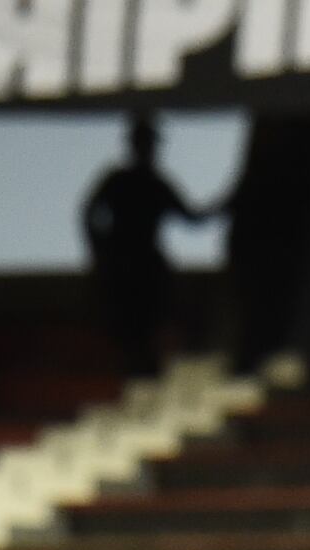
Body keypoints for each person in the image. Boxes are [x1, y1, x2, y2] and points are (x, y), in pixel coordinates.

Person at [82, 114, 207, 380]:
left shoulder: (155, 182)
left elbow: (192, 216)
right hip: (124, 267)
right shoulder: (119, 180)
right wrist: (99, 252)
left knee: (156, 324)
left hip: (145, 268)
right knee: (128, 331)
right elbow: (88, 213)